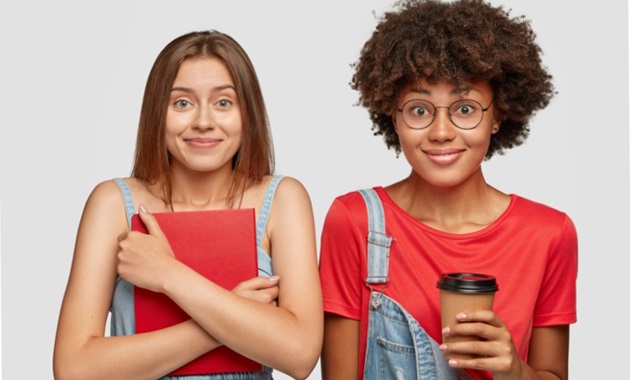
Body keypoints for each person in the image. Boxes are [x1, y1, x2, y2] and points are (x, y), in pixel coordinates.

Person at [318, 1, 577, 379]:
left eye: (466, 109)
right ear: (394, 115)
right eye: (420, 110)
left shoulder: (548, 234)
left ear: (498, 115)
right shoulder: (355, 221)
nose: (441, 132)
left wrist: (516, 371)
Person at [53, 30, 323, 380]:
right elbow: (74, 368)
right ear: (157, 113)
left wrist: (168, 274)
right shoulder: (113, 204)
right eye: (182, 103)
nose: (203, 121)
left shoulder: (284, 199)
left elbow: (300, 355)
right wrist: (233, 318)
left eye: (224, 102)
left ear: (248, 113)